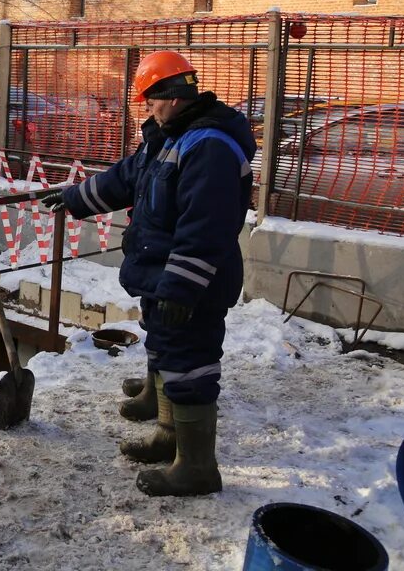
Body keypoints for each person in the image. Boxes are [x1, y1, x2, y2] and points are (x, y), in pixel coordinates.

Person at [41, 50, 255, 497]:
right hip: (163, 275)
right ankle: (168, 437)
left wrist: (181, 287)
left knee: (190, 367)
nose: (147, 108)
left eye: (151, 100)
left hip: (192, 283)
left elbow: (206, 226)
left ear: (172, 97)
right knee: (166, 349)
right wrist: (77, 197)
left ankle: (197, 468)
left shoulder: (208, 146)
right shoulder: (169, 137)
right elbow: (128, 177)